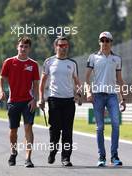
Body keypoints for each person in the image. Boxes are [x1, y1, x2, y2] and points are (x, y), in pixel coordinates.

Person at [38, 36, 81, 167]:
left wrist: (78, 94)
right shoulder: (49, 62)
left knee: (68, 131)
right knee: (55, 129)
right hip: (54, 100)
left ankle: (66, 158)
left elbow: (77, 81)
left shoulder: (72, 63)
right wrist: (41, 98)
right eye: (61, 45)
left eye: (65, 46)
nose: (63, 48)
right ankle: (53, 150)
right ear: (55, 47)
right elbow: (42, 82)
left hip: (68, 101)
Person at [0, 36, 40, 168]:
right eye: (21, 46)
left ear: (29, 49)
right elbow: (1, 79)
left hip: (28, 102)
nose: (23, 49)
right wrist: (1, 91)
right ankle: (13, 151)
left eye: (26, 47)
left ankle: (28, 158)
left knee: (28, 128)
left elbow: (36, 85)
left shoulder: (33, 64)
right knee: (13, 131)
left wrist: (35, 99)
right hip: (13, 101)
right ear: (17, 47)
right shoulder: (9, 62)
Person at [85, 31, 126, 167]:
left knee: (115, 124)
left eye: (107, 40)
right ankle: (101, 157)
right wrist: (88, 92)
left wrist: (123, 98)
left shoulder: (117, 59)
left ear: (111, 42)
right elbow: (86, 78)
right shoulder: (93, 57)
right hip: (97, 95)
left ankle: (114, 156)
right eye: (102, 40)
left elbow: (120, 80)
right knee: (100, 127)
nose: (104, 43)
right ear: (99, 42)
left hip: (112, 96)